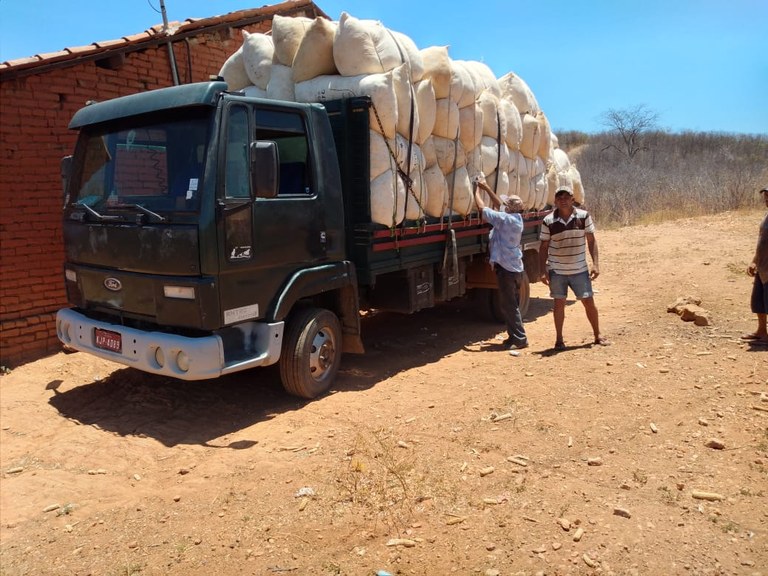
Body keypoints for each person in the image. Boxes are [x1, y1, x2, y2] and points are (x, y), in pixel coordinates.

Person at [538, 186, 608, 350]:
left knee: (588, 302)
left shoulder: (583, 216)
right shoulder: (548, 220)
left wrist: (596, 264)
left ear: (572, 199)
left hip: (579, 269)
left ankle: (597, 335)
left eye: (566, 197)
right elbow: (543, 247)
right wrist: (542, 271)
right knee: (559, 304)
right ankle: (559, 340)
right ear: (555, 201)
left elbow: (591, 240)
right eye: (559, 197)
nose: (563, 200)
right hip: (557, 270)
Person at [473, 175, 529, 352]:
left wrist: (476, 190)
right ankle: (514, 336)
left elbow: (482, 208)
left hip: (507, 270)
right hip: (514, 268)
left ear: (510, 208)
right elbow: (500, 207)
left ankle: (520, 339)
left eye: (507, 205)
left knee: (509, 305)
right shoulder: (516, 219)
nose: (503, 207)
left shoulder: (505, 220)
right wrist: (487, 188)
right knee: (510, 305)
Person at [742, 186, 768, 345]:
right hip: (763, 267)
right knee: (759, 301)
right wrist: (754, 261)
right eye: (766, 197)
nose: (767, 200)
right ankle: (761, 331)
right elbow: (762, 243)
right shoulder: (767, 215)